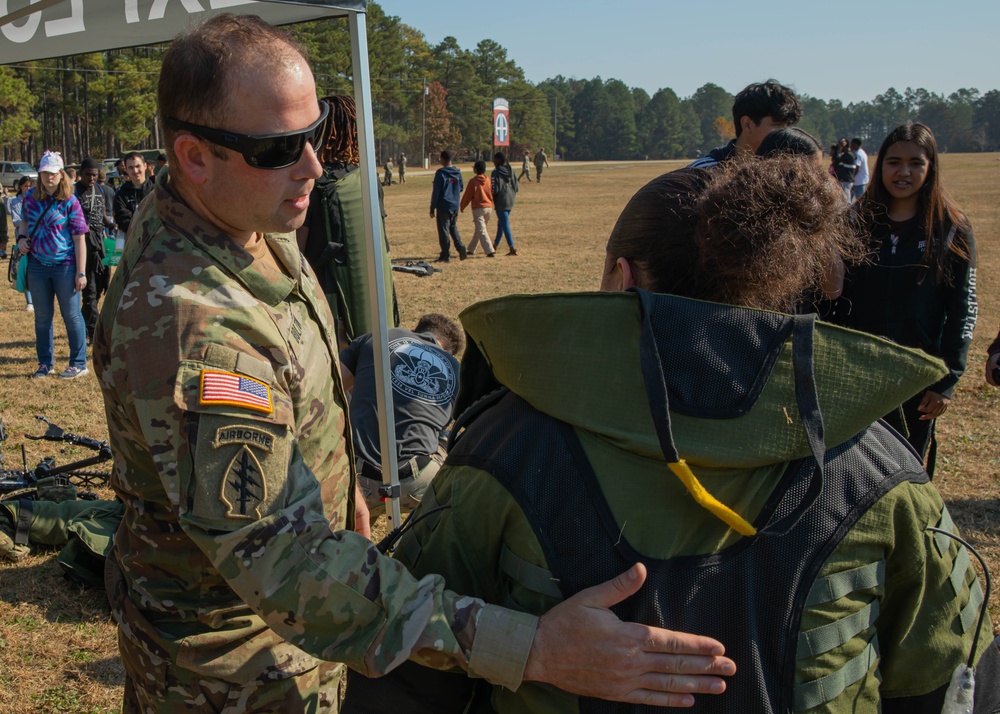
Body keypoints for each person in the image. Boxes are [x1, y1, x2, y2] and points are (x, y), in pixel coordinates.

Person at [93, 14, 734, 713]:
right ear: (193, 156)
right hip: (235, 672)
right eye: (280, 147)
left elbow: (304, 381)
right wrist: (532, 647)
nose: (313, 164)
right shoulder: (197, 330)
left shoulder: (241, 221)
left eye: (316, 133)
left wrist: (345, 493)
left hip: (295, 636)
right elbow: (284, 565)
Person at [343, 156, 996, 713]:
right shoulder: (877, 465)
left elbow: (403, 679)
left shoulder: (507, 449)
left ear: (622, 278)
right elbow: (950, 681)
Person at [833, 122, 977, 477]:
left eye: (916, 163)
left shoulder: (952, 227)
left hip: (917, 378)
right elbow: (831, 302)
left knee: (905, 474)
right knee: (850, 472)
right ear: (880, 166)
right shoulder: (852, 222)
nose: (904, 172)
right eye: (894, 162)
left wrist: (947, 381)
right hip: (858, 374)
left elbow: (963, 309)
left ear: (931, 168)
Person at [297, 94, 398, 345]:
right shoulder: (367, 178)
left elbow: (296, 250)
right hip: (375, 304)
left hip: (329, 301)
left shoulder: (315, 183)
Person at [342, 313, 461, 514]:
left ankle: (360, 532)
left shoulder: (378, 336)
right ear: (448, 351)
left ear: (415, 330)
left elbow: (334, 384)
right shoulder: (454, 367)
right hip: (420, 481)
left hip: (357, 479)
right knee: (444, 438)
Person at [16, 151, 88, 379]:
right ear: (39, 175)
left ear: (61, 175)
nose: (49, 177)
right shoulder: (30, 198)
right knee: (42, 317)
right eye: (45, 173)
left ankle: (78, 363)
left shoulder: (70, 201)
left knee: (72, 315)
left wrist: (81, 272)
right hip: (38, 265)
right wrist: (21, 238)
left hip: (65, 266)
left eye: (53, 173)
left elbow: (79, 239)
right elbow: (24, 222)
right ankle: (45, 363)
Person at [689, 80, 802, 168]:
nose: (787, 136)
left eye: (789, 128)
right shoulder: (701, 174)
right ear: (747, 124)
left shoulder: (791, 177)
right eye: (777, 126)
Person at [75, 158, 114, 344]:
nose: (91, 178)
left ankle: (84, 323)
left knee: (101, 286)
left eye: (95, 175)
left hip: (100, 245)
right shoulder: (73, 192)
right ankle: (95, 333)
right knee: (89, 291)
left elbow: (102, 213)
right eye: (88, 175)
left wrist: (111, 224)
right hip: (84, 247)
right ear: (80, 173)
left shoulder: (99, 190)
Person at [430, 149, 467, 262]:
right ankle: (460, 247)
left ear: (443, 159)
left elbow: (436, 192)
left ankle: (445, 254)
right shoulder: (457, 172)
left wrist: (432, 207)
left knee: (443, 230)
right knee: (452, 227)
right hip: (454, 205)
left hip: (443, 205)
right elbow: (461, 187)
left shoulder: (441, 173)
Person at [113, 151, 155, 242]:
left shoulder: (157, 191)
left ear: (145, 166)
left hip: (156, 241)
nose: (135, 171)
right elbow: (122, 220)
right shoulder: (121, 195)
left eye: (137, 166)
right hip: (133, 242)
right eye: (131, 167)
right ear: (126, 170)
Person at [8, 176, 34, 311]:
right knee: (23, 269)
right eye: (26, 186)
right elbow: (16, 220)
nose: (28, 189)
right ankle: (29, 301)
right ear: (21, 187)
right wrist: (29, 220)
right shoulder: (15, 201)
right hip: (22, 239)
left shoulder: (36, 199)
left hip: (35, 240)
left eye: (30, 186)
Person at [460, 159, 495, 257]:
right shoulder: (488, 180)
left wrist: (462, 206)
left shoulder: (473, 181)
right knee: (479, 230)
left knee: (481, 230)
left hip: (478, 208)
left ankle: (490, 250)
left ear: (475, 169)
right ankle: (471, 249)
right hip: (489, 207)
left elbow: (467, 196)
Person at [491, 152, 519, 256]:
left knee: (505, 224)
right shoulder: (511, 170)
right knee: (501, 223)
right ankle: (495, 245)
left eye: (494, 159)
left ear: (498, 160)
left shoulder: (495, 172)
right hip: (511, 198)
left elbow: (494, 188)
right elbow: (516, 186)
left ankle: (512, 247)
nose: (493, 162)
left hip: (501, 200)